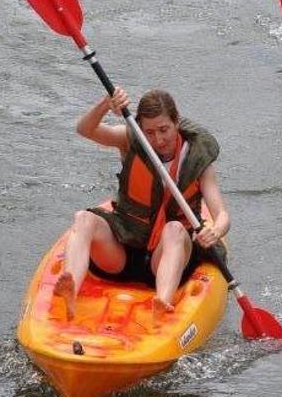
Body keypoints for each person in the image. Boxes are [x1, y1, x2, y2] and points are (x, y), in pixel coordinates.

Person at [53, 86, 228, 323]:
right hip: (123, 250)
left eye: (164, 129)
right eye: (150, 132)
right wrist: (106, 103)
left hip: (165, 259)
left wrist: (215, 232)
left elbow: (222, 216)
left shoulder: (198, 158)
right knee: (84, 218)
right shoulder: (129, 139)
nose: (158, 139)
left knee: (174, 229)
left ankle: (162, 301)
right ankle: (71, 285)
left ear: (177, 122)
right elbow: (85, 129)